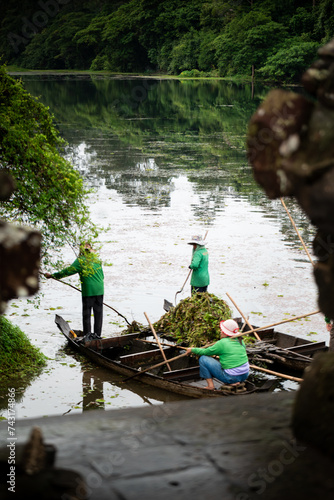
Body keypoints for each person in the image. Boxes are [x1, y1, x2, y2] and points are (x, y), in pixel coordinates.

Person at [44, 242, 104, 337]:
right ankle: (98, 337)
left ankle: (88, 337)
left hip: (88, 291)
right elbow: (102, 276)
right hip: (100, 290)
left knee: (86, 315)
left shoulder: (80, 260)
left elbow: (67, 271)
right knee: (98, 315)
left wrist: (52, 275)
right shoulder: (97, 259)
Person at [186, 319, 249, 390]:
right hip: (245, 375)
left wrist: (192, 349)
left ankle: (210, 386)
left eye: (222, 330)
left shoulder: (222, 343)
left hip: (231, 377)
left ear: (226, 333)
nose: (221, 332)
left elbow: (205, 352)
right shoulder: (240, 339)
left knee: (203, 358)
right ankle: (236, 381)